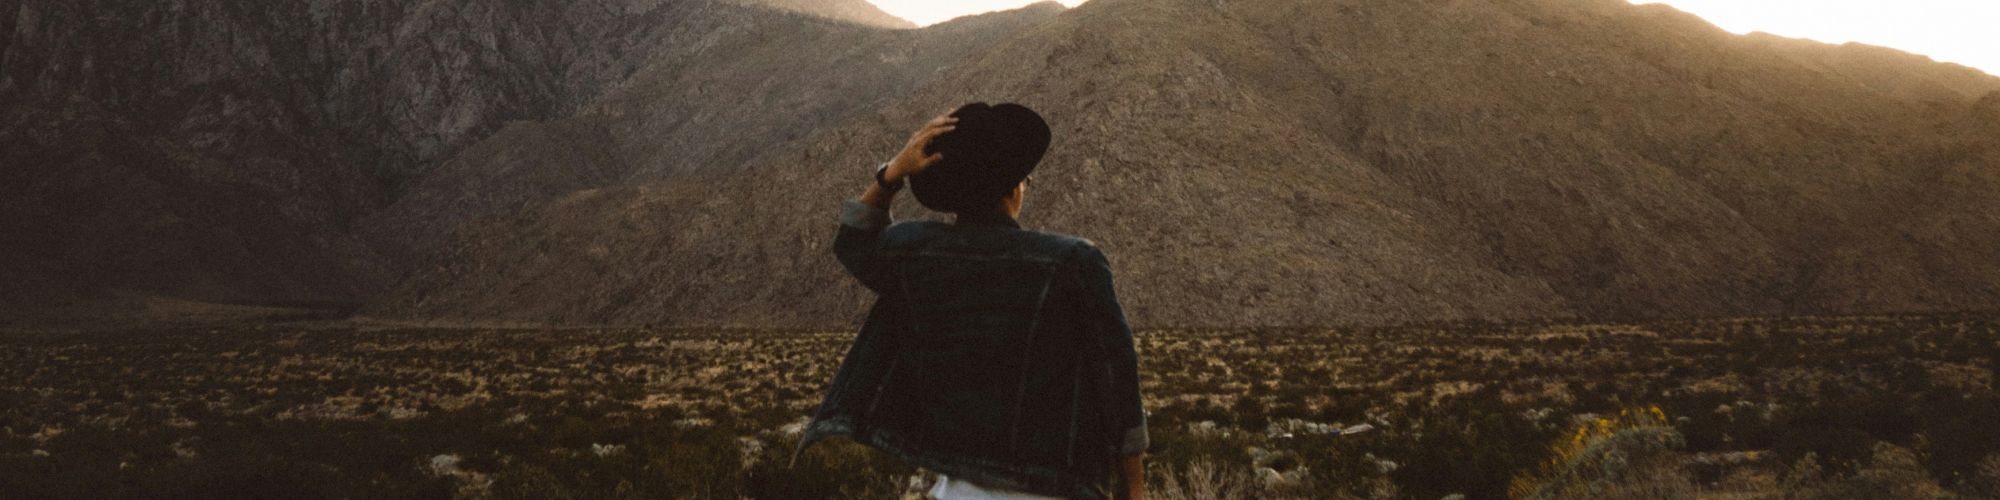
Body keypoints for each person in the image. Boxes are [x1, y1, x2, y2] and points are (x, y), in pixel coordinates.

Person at [793, 103, 1149, 500]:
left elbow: (853, 241)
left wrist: (892, 174)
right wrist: (1134, 487)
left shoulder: (914, 253)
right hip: (1050, 486)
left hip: (957, 488)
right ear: (1015, 189)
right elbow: (1116, 377)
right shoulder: (1071, 262)